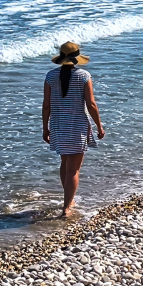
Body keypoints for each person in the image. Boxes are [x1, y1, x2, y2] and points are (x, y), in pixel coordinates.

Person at [42, 42, 106, 217]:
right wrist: (99, 126)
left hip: (58, 125)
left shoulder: (50, 77)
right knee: (74, 169)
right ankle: (67, 207)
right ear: (77, 58)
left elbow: (46, 106)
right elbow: (91, 104)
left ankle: (68, 200)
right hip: (77, 126)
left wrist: (45, 128)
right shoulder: (84, 76)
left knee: (65, 163)